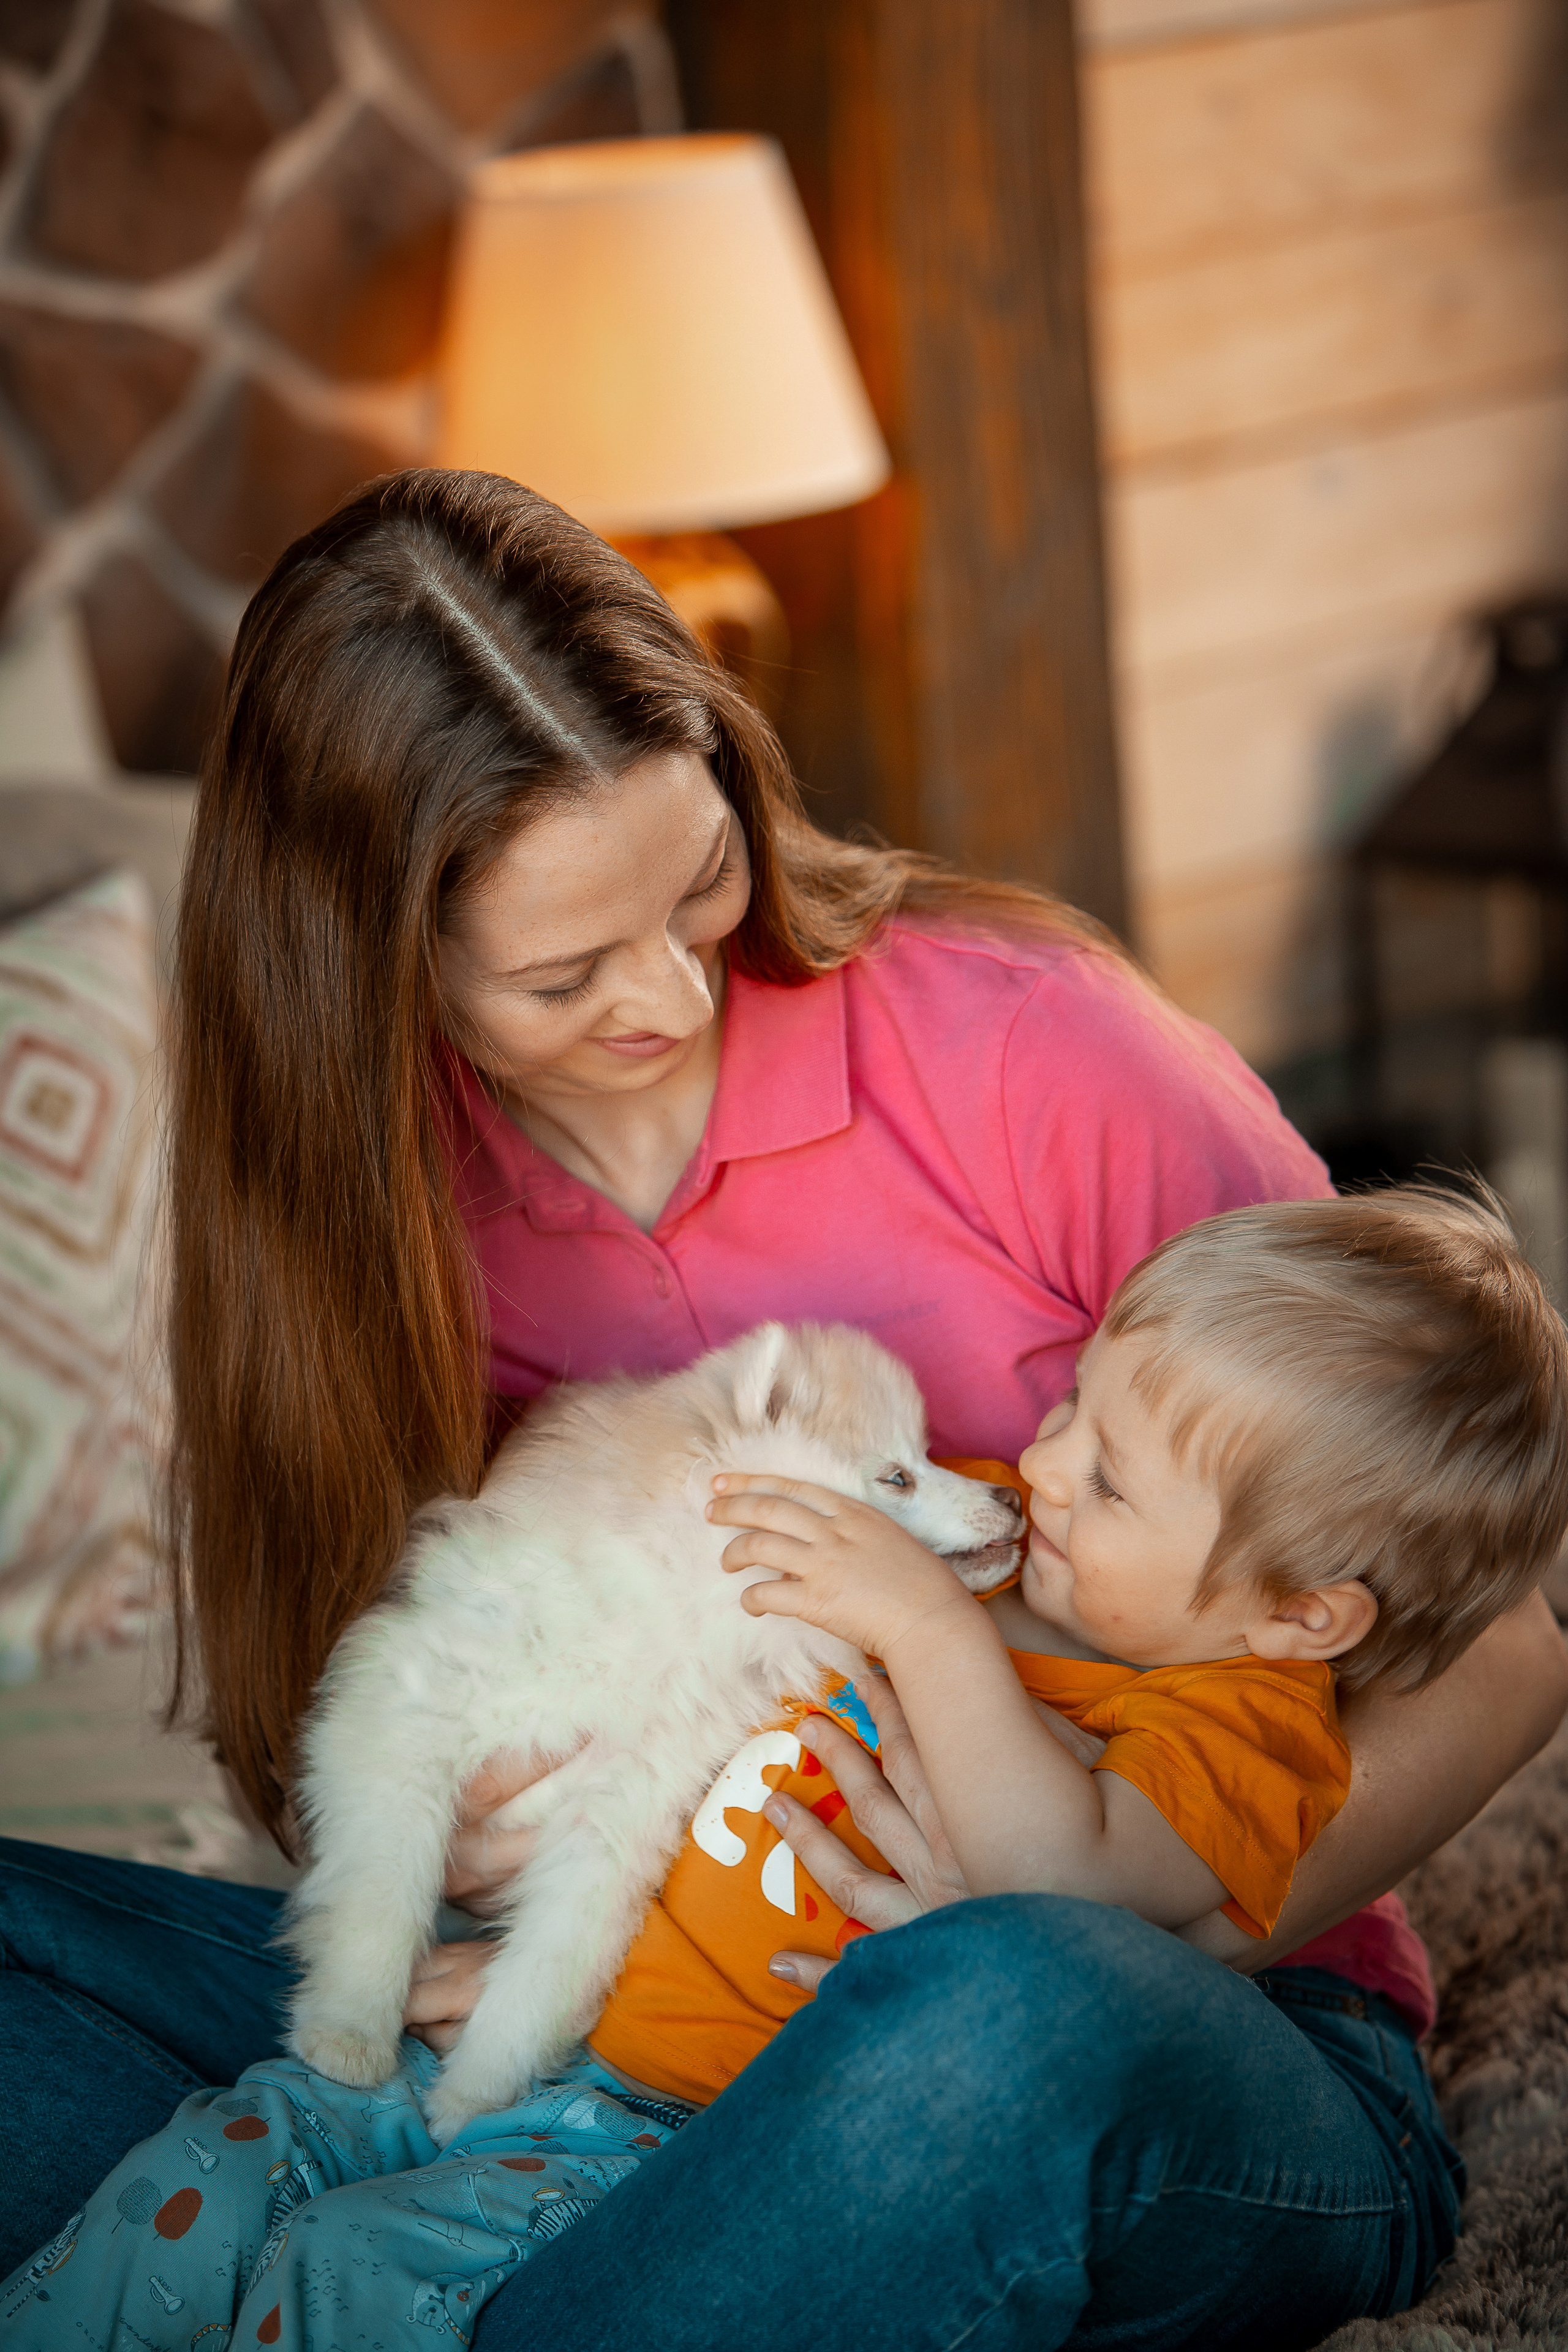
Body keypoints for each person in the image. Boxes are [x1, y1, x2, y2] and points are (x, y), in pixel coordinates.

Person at [1, 470, 1562, 2350]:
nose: (676, 991)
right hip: (614, 2021)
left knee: (1000, 2019)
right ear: (370, 961)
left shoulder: (1029, 1050)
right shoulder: (368, 1213)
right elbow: (364, 1715)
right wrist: (479, 1837)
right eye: (565, 973)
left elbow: (1506, 1646)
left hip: (1169, 2032)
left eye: (701, 883)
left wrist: (1082, 1904)